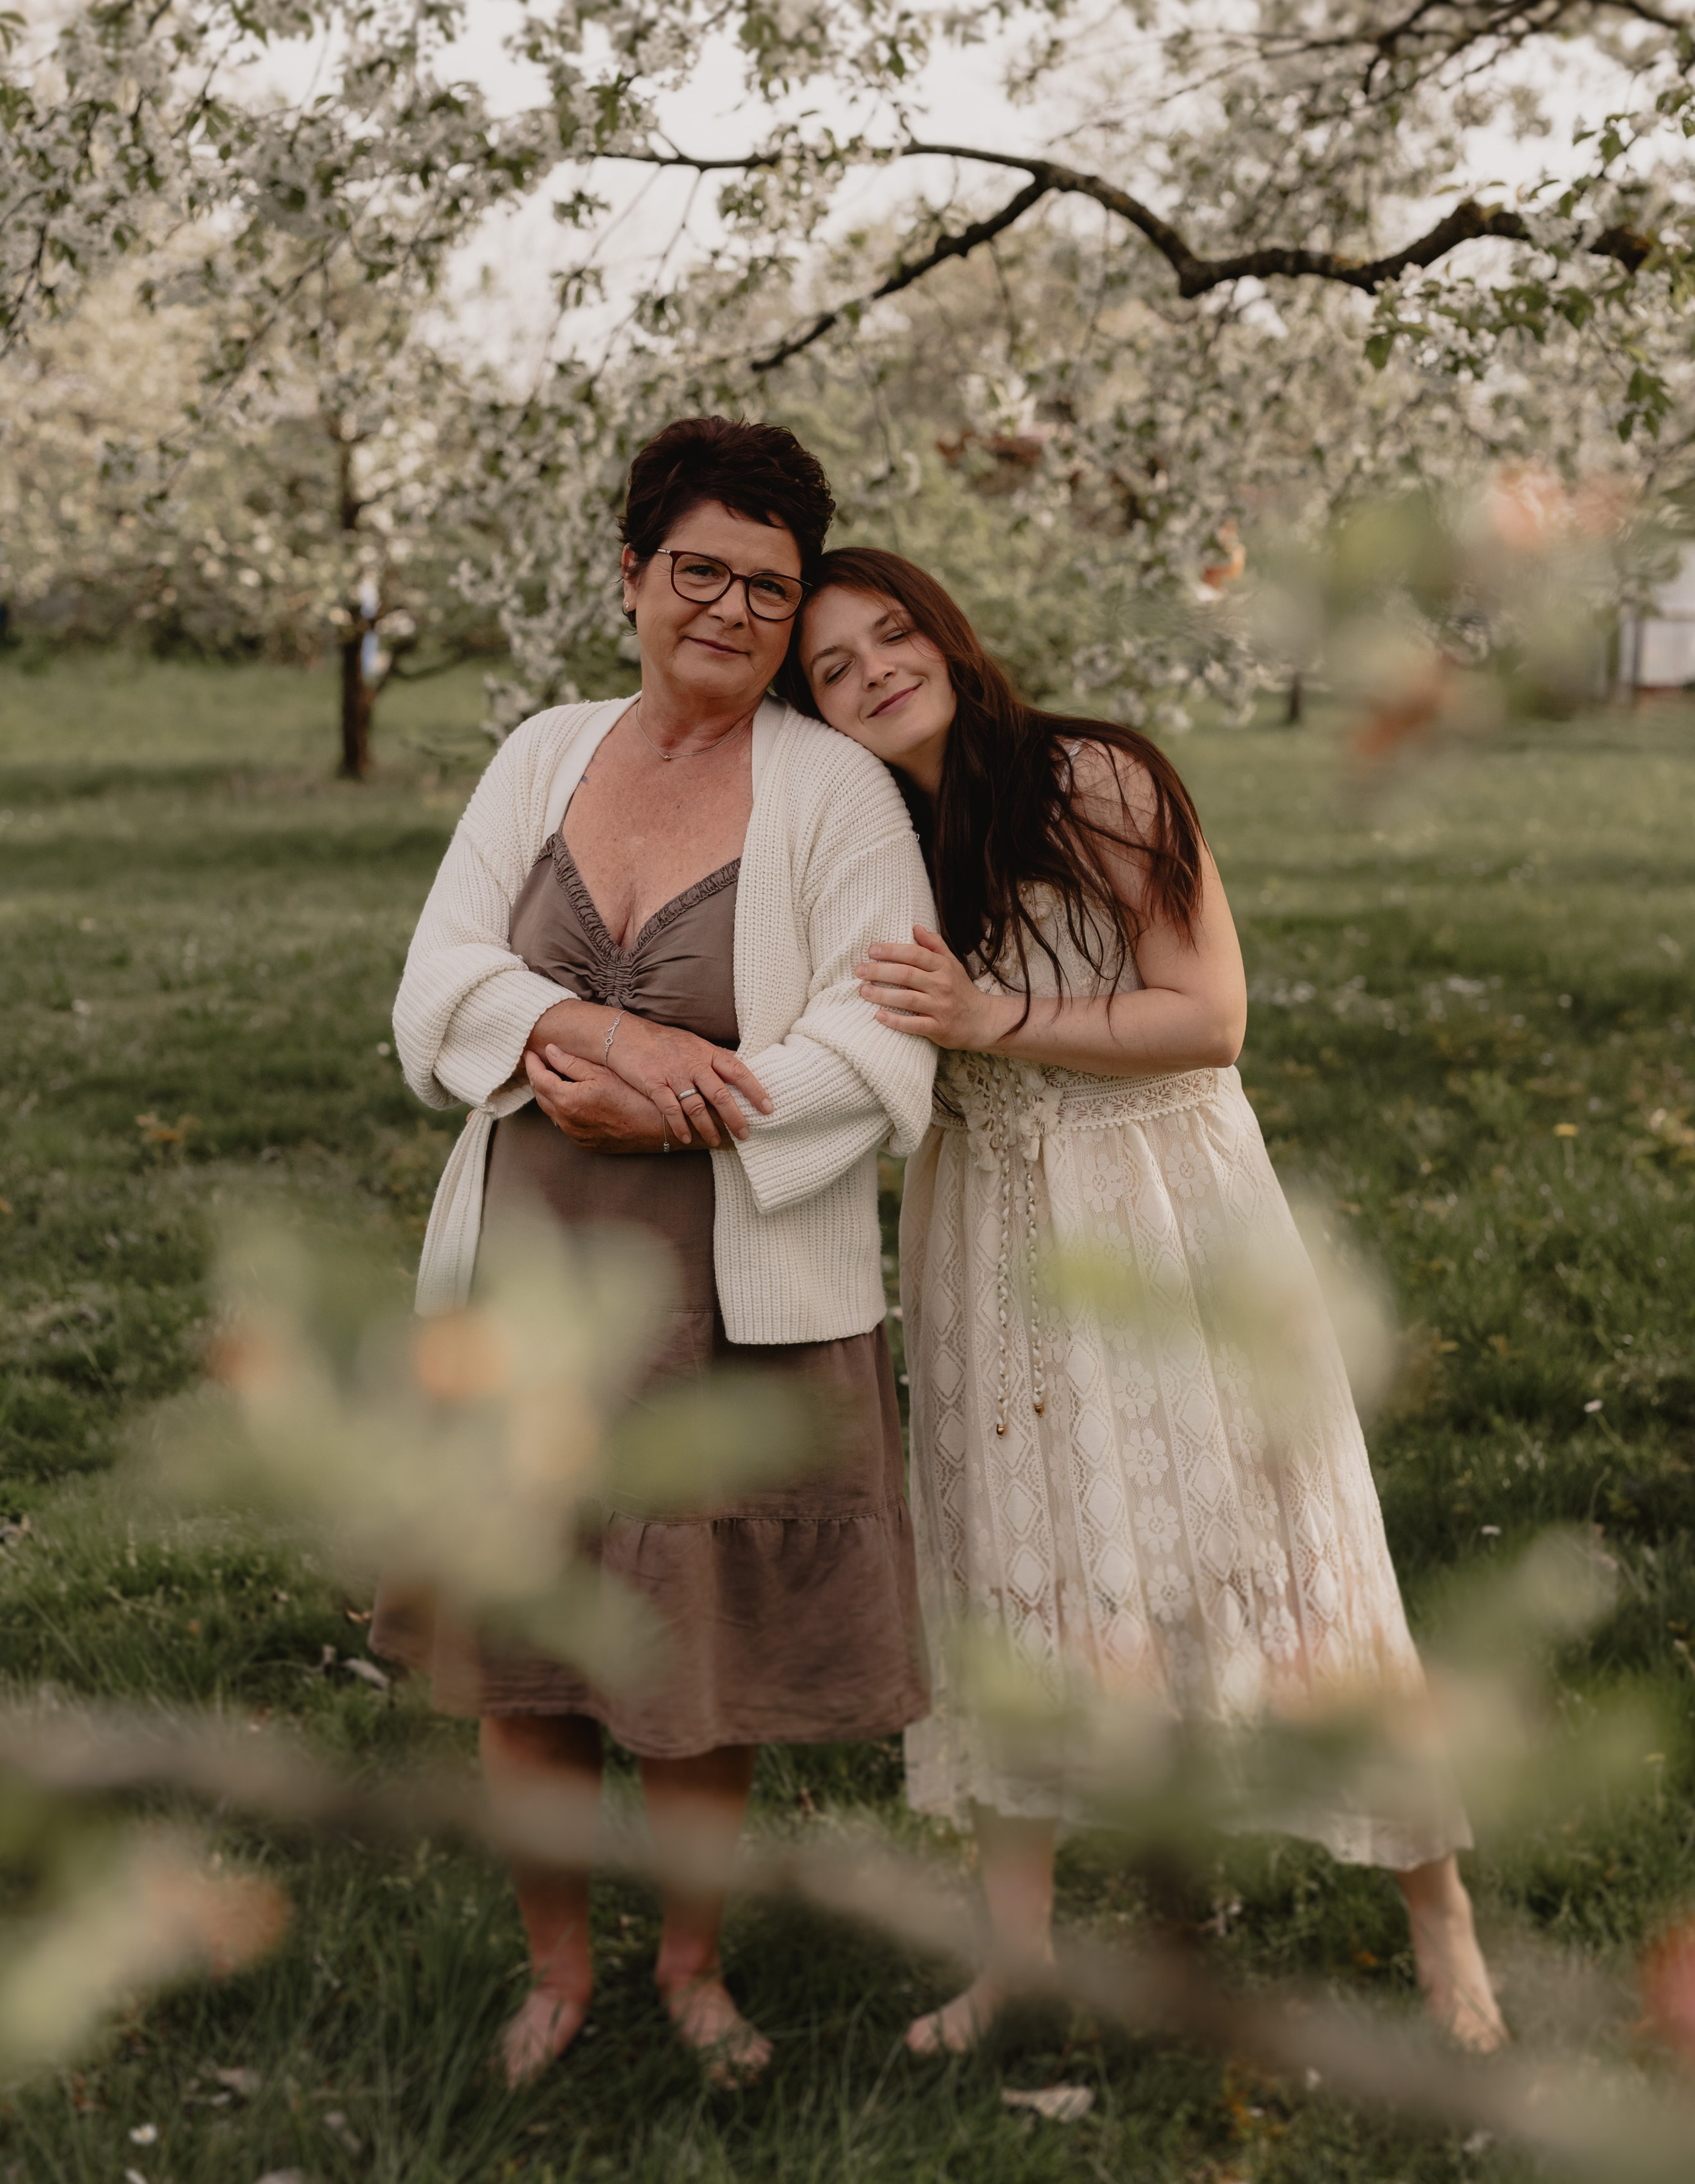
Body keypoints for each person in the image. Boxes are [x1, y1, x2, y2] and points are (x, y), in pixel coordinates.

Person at [785, 546, 1508, 2058]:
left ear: (944, 628)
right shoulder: (868, 838)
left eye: (887, 635)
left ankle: (1434, 1908)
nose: (868, 674)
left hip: (1161, 1213)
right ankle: (1016, 1959)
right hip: (984, 1227)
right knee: (1011, 1561)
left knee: (1275, 1544)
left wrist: (1000, 1015)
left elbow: (1212, 1015)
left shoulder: (1090, 777)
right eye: (830, 669)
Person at [377, 426, 936, 2087]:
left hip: (728, 1292)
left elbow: (885, 1050)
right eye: (699, 569)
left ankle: (691, 1968)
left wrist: (688, 1110)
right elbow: (435, 987)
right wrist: (569, 1025)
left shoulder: (831, 789)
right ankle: (556, 1971)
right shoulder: (545, 751)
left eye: (768, 587)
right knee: (524, 1652)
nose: (732, 608)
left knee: (705, 1663)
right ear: (629, 574)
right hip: (525, 1287)